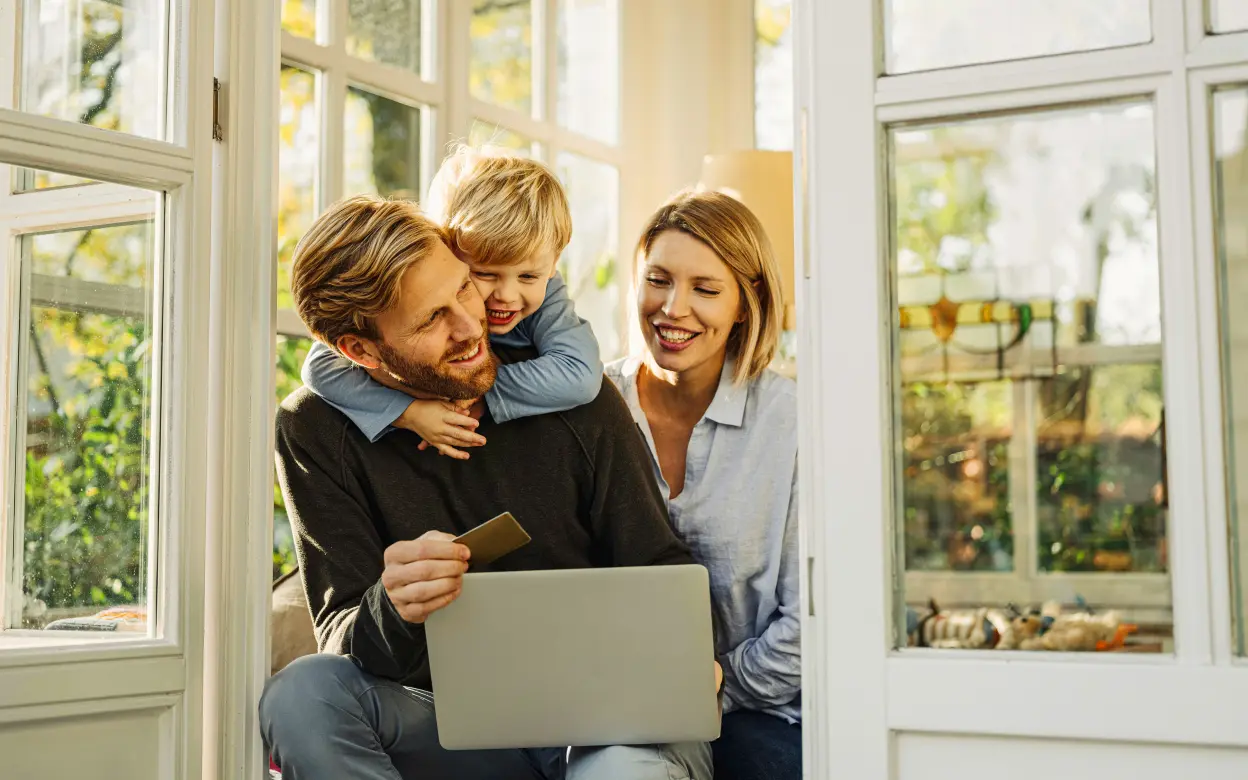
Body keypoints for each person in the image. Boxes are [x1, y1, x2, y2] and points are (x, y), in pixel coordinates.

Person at [260, 195, 718, 780]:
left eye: (463, 288)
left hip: (614, 725)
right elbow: (345, 639)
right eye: (430, 319)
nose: (471, 325)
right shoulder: (313, 431)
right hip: (455, 731)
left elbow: (658, 564)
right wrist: (393, 604)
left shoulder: (566, 392)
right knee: (301, 694)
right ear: (359, 351)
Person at [606, 190, 801, 780]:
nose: (673, 308)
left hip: (757, 708)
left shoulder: (793, 421)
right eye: (658, 280)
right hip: (608, 706)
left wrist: (720, 682)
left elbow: (815, 622)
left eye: (705, 289)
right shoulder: (590, 405)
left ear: (746, 303)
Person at [299, 146, 601, 458]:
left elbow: (581, 374)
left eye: (527, 277)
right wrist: (409, 411)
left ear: (552, 265)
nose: (507, 296)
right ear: (444, 248)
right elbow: (322, 365)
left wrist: (475, 394)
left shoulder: (549, 291)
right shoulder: (309, 425)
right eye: (482, 274)